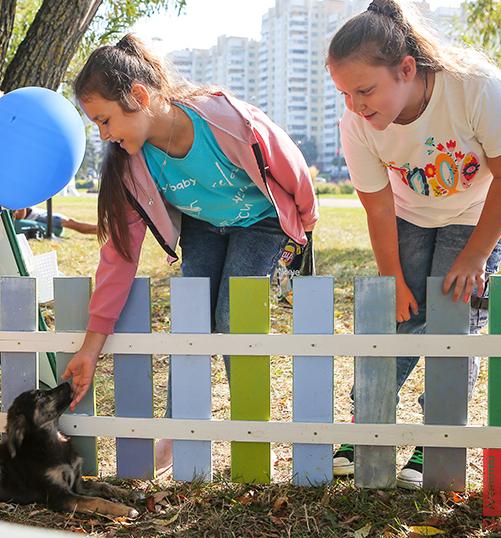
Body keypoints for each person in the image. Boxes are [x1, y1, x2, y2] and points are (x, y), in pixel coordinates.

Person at [62, 35, 318, 471]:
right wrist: (90, 346)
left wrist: (304, 228)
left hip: (262, 221)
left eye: (105, 120)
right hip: (203, 226)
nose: (104, 135)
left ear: (139, 97)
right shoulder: (131, 165)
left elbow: (288, 161)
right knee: (192, 321)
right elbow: (119, 257)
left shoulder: (223, 119)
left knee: (233, 319)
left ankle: (252, 427)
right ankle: (178, 431)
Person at [325, 0, 501, 488]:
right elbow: (377, 207)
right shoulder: (356, 125)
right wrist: (393, 279)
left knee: (455, 321)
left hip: (476, 213)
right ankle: (366, 429)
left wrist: (476, 255)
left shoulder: (474, 88)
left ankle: (436, 439)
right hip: (408, 214)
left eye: (364, 90)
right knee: (398, 318)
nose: (356, 106)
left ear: (405, 69)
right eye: (344, 94)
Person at [12, 206, 98, 238]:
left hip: (38, 215)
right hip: (35, 219)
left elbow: (21, 215)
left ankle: (103, 229)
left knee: (71, 222)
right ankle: (102, 230)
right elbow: (20, 216)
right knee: (70, 223)